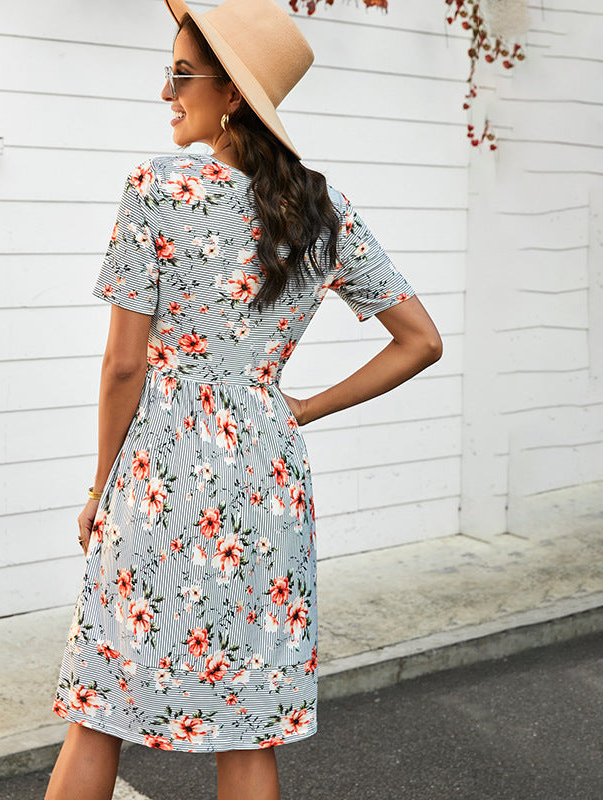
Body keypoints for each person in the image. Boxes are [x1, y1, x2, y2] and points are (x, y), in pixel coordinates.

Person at [45, 0, 442, 798]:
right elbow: (421, 341)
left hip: (160, 470)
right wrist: (299, 407)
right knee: (250, 724)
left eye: (181, 73)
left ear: (233, 94)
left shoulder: (156, 188)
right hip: (266, 472)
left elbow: (125, 366)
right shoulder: (322, 210)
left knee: (99, 704)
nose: (166, 89)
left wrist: (98, 487)